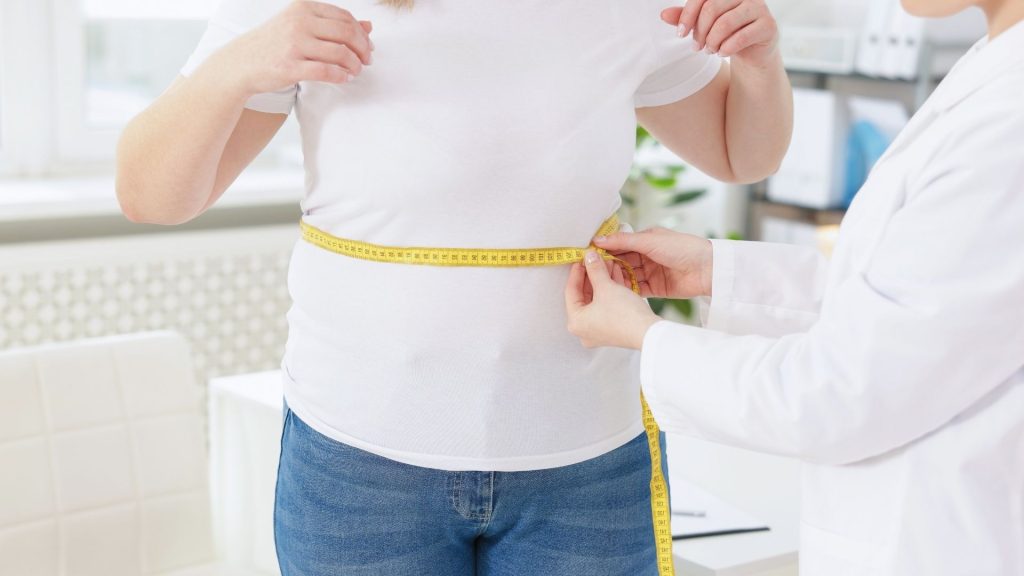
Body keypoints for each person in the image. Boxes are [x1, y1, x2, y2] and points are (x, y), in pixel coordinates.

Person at [115, 0, 792, 574]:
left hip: (588, 459)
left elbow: (739, 154)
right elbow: (149, 195)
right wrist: (236, 65)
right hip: (359, 463)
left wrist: (758, 61)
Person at [565, 1, 1024, 574]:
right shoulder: (996, 66)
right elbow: (922, 306)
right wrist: (719, 273)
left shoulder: (1009, 119)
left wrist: (647, 338)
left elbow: (847, 393)